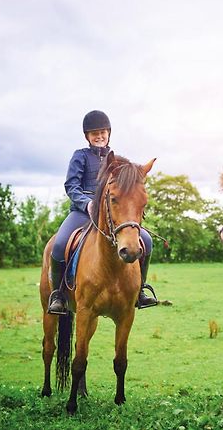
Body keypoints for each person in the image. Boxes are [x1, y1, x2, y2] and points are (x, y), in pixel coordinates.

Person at [48, 110, 158, 314]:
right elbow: (71, 186)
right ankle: (58, 295)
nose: (99, 136)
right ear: (87, 136)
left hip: (110, 215)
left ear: (109, 133)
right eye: (94, 133)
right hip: (82, 212)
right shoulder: (80, 156)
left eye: (102, 132)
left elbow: (128, 186)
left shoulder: (118, 160)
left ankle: (140, 290)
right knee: (59, 244)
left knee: (147, 241)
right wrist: (87, 203)